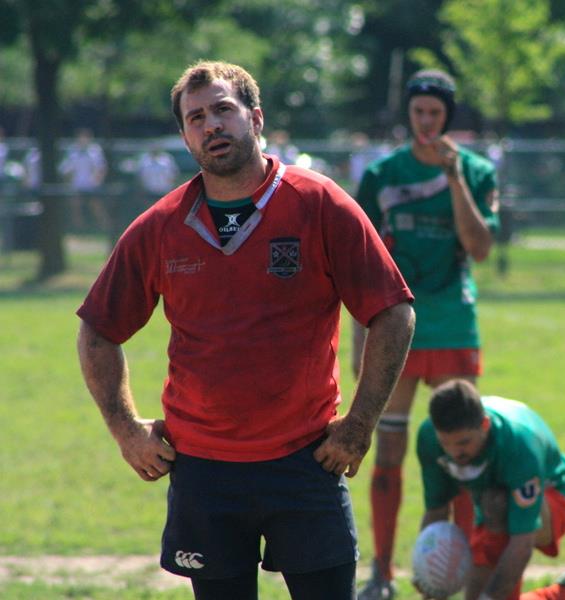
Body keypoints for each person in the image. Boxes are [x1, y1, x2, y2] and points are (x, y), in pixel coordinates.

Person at [75, 60, 415, 600]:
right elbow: (97, 332)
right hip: (204, 472)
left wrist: (359, 424)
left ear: (255, 118)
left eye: (223, 110)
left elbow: (393, 311)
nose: (211, 125)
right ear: (185, 135)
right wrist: (125, 430)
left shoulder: (319, 203)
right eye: (196, 118)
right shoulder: (161, 225)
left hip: (306, 461)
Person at [353, 68, 500, 600]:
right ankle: (381, 573)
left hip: (454, 323)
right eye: (418, 112)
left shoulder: (478, 173)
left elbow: (480, 248)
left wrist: (455, 179)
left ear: (448, 117)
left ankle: (457, 569)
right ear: (408, 114)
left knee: (462, 453)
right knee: (388, 449)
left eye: (435, 114)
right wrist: (358, 338)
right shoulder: (382, 175)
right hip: (395, 324)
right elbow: (358, 263)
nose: (426, 122)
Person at [416, 380, 565, 600]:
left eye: (464, 443)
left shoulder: (519, 446)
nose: (455, 452)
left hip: (554, 497)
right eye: (446, 443)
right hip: (489, 506)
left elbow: (521, 543)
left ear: (484, 425)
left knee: (498, 505)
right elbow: (436, 512)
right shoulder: (429, 436)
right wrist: (426, 573)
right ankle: (564, 595)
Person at [59, 128, 108, 232]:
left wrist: (97, 181)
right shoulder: (72, 151)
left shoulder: (95, 150)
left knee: (96, 206)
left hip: (91, 185)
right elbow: (65, 169)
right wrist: (68, 182)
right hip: (77, 185)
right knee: (75, 206)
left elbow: (101, 168)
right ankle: (79, 229)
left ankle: (104, 227)